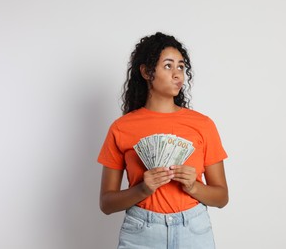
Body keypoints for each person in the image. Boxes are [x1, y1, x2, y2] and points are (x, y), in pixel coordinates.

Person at [97, 32, 229, 249]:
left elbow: (222, 197)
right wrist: (142, 190)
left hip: (194, 231)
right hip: (141, 233)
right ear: (146, 72)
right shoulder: (121, 128)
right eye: (168, 66)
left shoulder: (203, 124)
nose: (178, 74)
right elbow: (106, 203)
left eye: (181, 67)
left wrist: (193, 186)